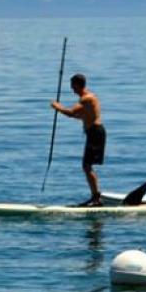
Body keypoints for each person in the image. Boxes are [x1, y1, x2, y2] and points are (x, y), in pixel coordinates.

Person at [51, 73, 105, 207]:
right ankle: (95, 196)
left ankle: (96, 198)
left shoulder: (86, 99)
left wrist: (57, 106)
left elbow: (71, 112)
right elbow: (83, 116)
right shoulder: (90, 98)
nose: (72, 89)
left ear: (77, 85)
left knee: (87, 166)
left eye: (72, 86)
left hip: (95, 133)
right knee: (87, 166)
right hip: (95, 132)